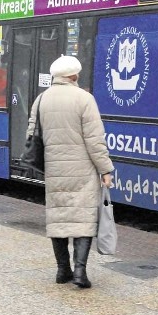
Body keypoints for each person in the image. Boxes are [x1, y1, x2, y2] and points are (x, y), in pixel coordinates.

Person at [26, 55, 114, 288]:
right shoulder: (85, 99)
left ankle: (62, 270)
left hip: (55, 169)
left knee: (59, 217)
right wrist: (105, 169)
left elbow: (31, 134)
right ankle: (80, 273)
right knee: (83, 218)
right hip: (82, 170)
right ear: (73, 76)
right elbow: (95, 141)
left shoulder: (41, 99)